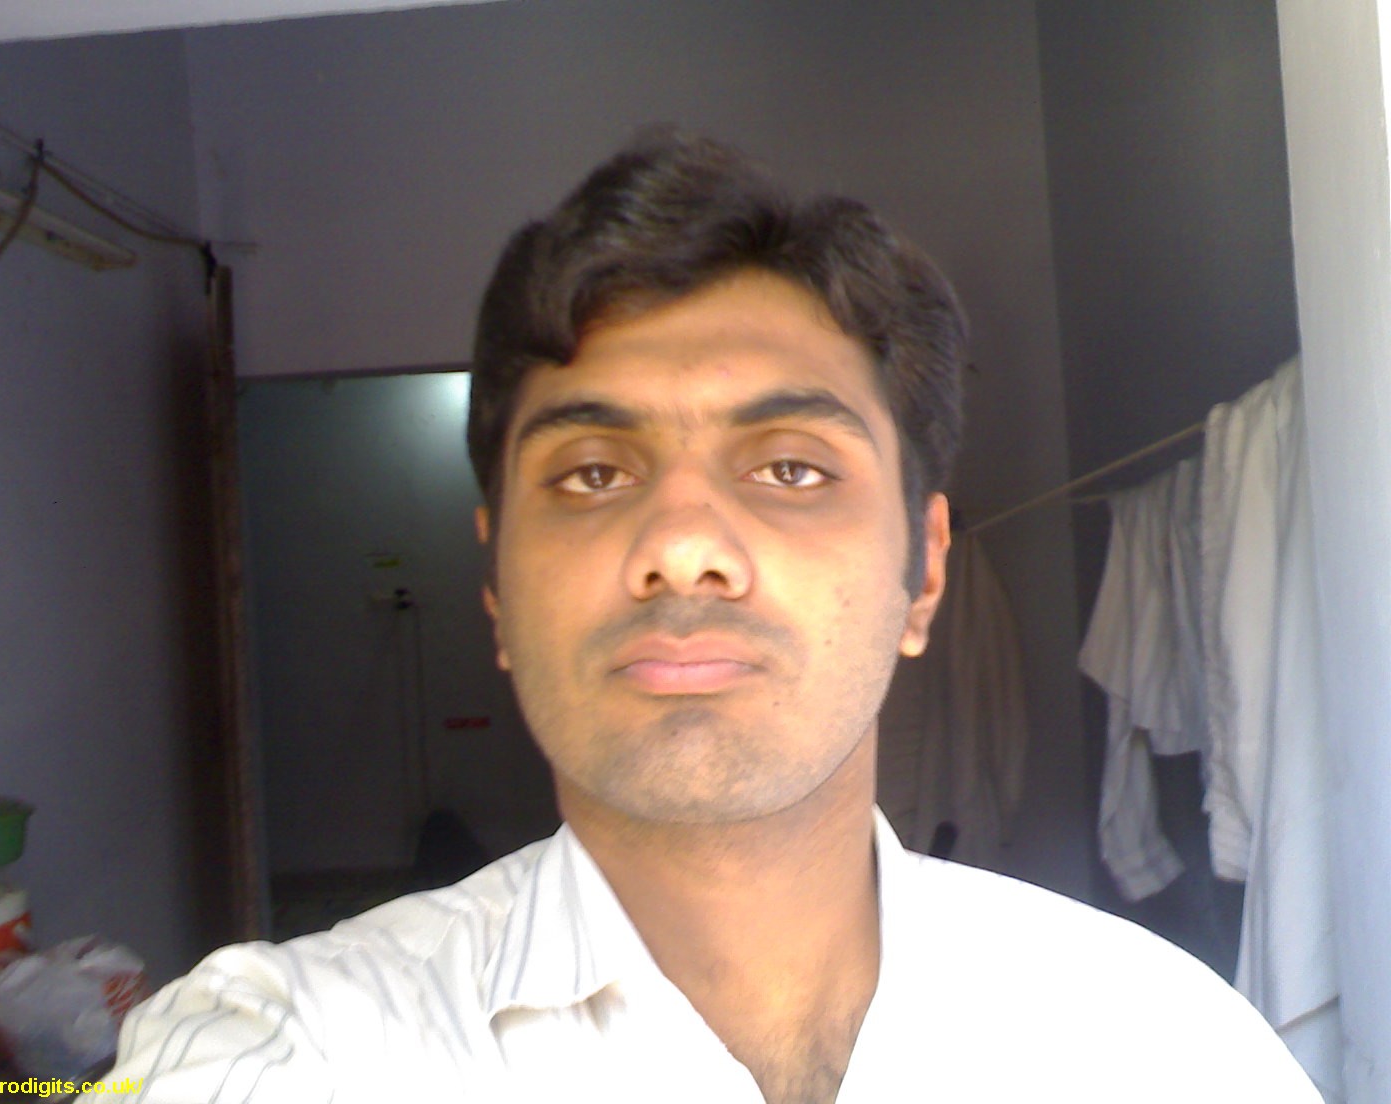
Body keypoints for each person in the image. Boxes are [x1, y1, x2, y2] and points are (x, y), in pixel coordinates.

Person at [88, 133, 1322, 1103]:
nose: (679, 545)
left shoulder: (1159, 1048)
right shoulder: (290, 1049)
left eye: (789, 467)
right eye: (591, 474)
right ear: (497, 591)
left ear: (922, 573)